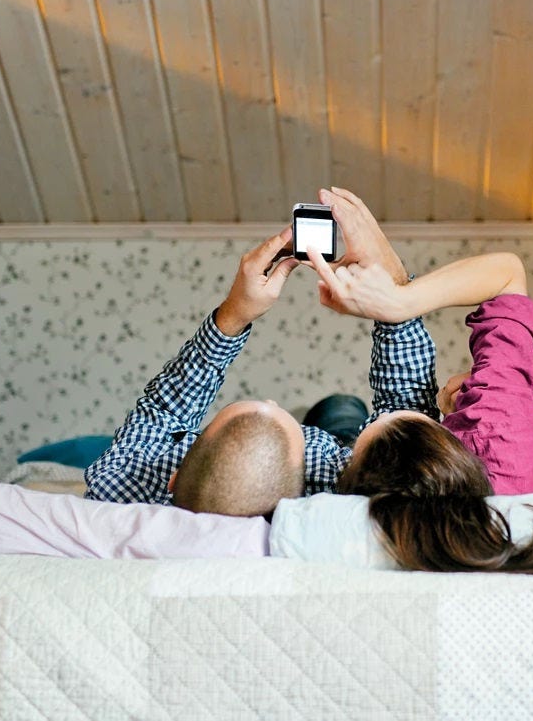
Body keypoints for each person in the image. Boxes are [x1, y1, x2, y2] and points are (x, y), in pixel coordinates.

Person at [308, 189, 533, 575]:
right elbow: (506, 273)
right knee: (348, 411)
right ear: (445, 439)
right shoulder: (496, 429)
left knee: (339, 409)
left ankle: (350, 421)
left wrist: (396, 287)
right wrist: (400, 300)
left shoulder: (377, 505)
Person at [83, 222, 438, 518]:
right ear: (304, 500)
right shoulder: (348, 493)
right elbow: (407, 425)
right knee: (343, 407)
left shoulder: (117, 488)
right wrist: (394, 288)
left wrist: (234, 314)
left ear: (173, 480)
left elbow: (161, 413)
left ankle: (309, 417)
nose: (271, 400)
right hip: (348, 449)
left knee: (334, 407)